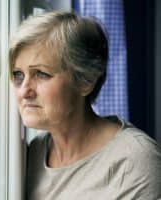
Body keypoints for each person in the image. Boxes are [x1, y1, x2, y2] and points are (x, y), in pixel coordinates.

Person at [9, 11, 161, 200]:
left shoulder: (134, 160)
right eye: (18, 75)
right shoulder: (30, 154)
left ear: (85, 81)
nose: (24, 91)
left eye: (41, 74)